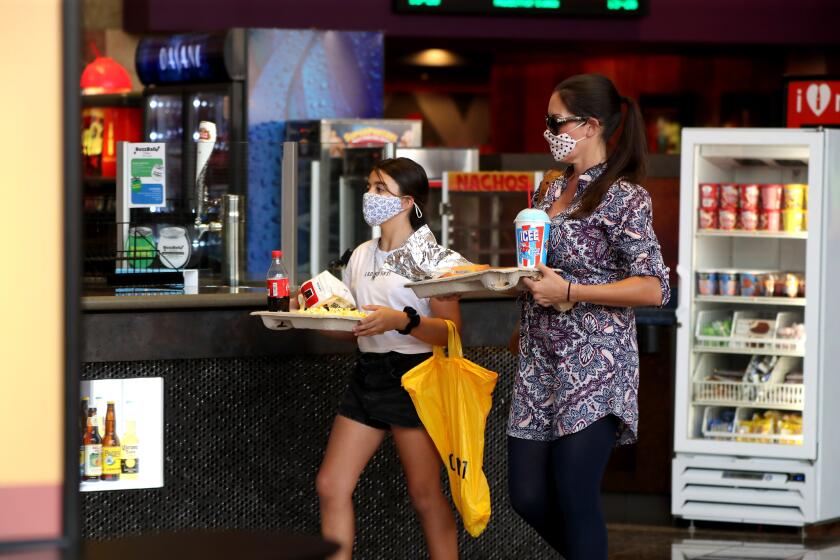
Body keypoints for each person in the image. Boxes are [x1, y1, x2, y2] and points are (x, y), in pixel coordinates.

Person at [508, 74, 671, 560]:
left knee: (576, 496)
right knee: (527, 496)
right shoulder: (548, 189)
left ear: (590, 125)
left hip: (595, 365)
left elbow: (654, 286)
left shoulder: (625, 197)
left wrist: (572, 290)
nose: (548, 131)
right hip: (539, 363)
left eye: (555, 121)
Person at [313, 158, 461, 560]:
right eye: (369, 186)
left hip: (415, 378)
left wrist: (403, 321)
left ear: (407, 201)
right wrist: (303, 315)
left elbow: (450, 333)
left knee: (425, 494)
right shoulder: (360, 254)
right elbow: (349, 326)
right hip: (368, 374)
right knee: (331, 484)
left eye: (381, 188)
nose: (370, 196)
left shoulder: (436, 259)